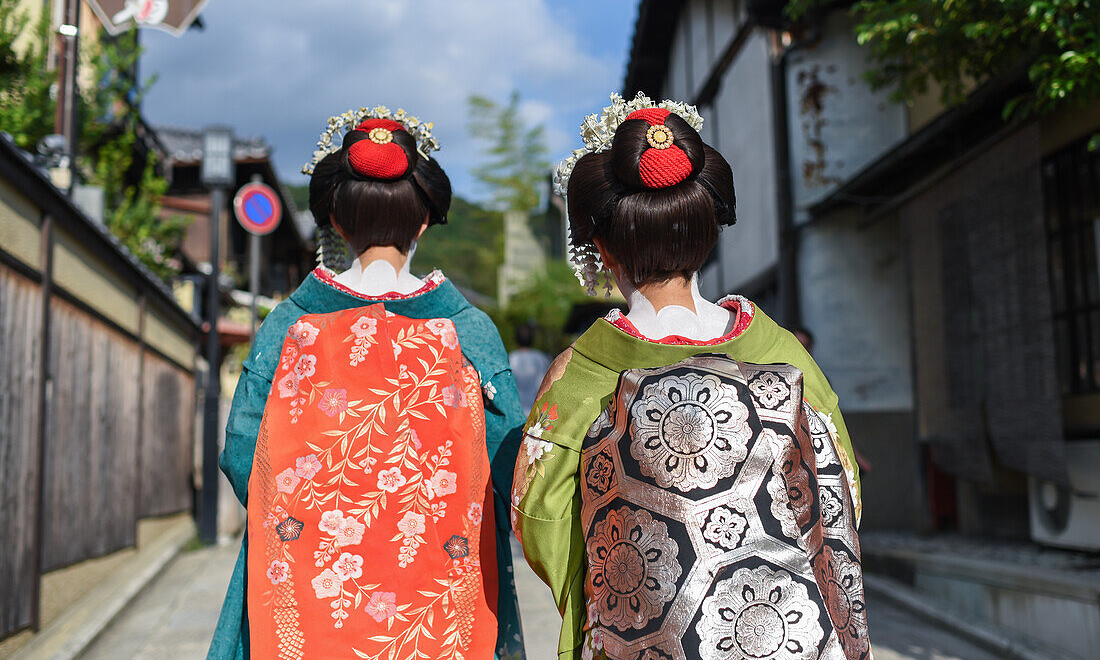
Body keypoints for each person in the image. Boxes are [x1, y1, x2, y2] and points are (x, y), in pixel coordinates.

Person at [511, 93, 868, 660]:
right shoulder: (782, 354)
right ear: (707, 233)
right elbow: (841, 484)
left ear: (601, 248)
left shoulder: (583, 373)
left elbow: (539, 516)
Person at [207, 107, 527, 660]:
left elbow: (242, 451)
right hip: (439, 588)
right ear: (423, 220)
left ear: (334, 220)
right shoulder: (466, 330)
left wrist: (303, 522)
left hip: (312, 587)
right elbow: (511, 464)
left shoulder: (291, 324)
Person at [509, 322, 552, 414]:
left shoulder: (511, 358)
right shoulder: (542, 358)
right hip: (537, 412)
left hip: (516, 412)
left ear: (516, 339)